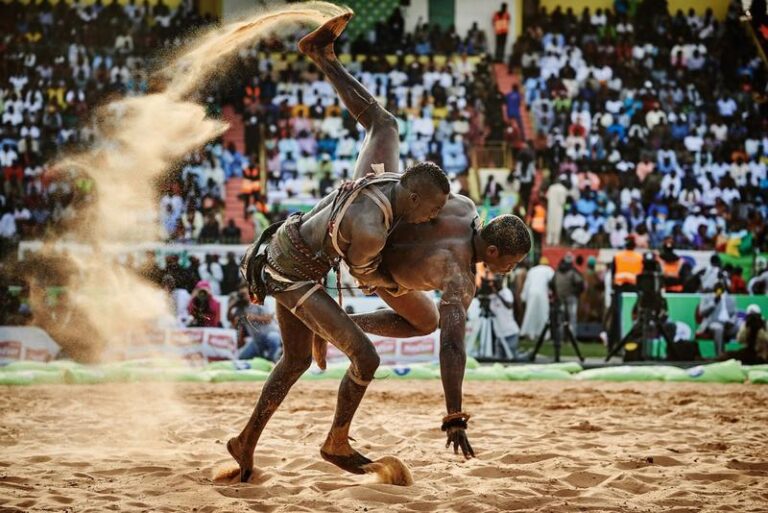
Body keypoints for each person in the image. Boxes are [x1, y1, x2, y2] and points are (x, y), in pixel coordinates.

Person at [231, 14, 450, 483]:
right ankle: (335, 442)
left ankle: (244, 441)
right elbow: (368, 278)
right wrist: (415, 278)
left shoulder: (389, 179)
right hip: (291, 270)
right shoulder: (370, 229)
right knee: (365, 357)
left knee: (384, 122)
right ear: (411, 197)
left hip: (293, 250)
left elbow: (374, 118)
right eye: (429, 213)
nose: (430, 220)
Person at [229, 285, 282, 362]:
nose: (242, 296)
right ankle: (262, 359)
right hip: (256, 340)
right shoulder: (241, 308)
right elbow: (230, 319)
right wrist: (232, 306)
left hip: (268, 334)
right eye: (241, 294)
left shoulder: (258, 301)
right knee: (242, 357)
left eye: (244, 294)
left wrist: (254, 317)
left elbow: (269, 319)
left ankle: (272, 359)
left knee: (274, 338)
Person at [697, 281, 738, 354]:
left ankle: (741, 356)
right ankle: (719, 355)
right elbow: (701, 312)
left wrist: (731, 322)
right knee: (719, 329)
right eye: (717, 288)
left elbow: (734, 314)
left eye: (721, 288)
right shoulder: (707, 298)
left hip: (728, 324)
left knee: (740, 328)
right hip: (713, 323)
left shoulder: (730, 299)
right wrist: (713, 303)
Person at [520, 257, 555, 339]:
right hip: (542, 293)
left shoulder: (532, 270)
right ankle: (544, 335)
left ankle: (529, 333)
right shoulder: (549, 270)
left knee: (530, 313)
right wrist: (551, 294)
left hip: (531, 293)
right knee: (543, 314)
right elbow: (552, 283)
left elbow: (527, 285)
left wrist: (523, 296)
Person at [488, 275, 522, 360]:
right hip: (499, 334)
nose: (497, 284)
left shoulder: (506, 292)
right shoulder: (492, 297)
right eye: (495, 282)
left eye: (498, 282)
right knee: (500, 360)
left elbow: (509, 305)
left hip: (510, 332)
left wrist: (498, 295)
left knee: (511, 358)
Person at [552, 253, 584, 334]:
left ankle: (560, 337)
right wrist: (576, 293)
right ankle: (572, 337)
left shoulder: (557, 271)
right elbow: (580, 283)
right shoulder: (573, 271)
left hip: (560, 297)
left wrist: (556, 294)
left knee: (561, 318)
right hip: (571, 297)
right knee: (572, 318)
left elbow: (552, 283)